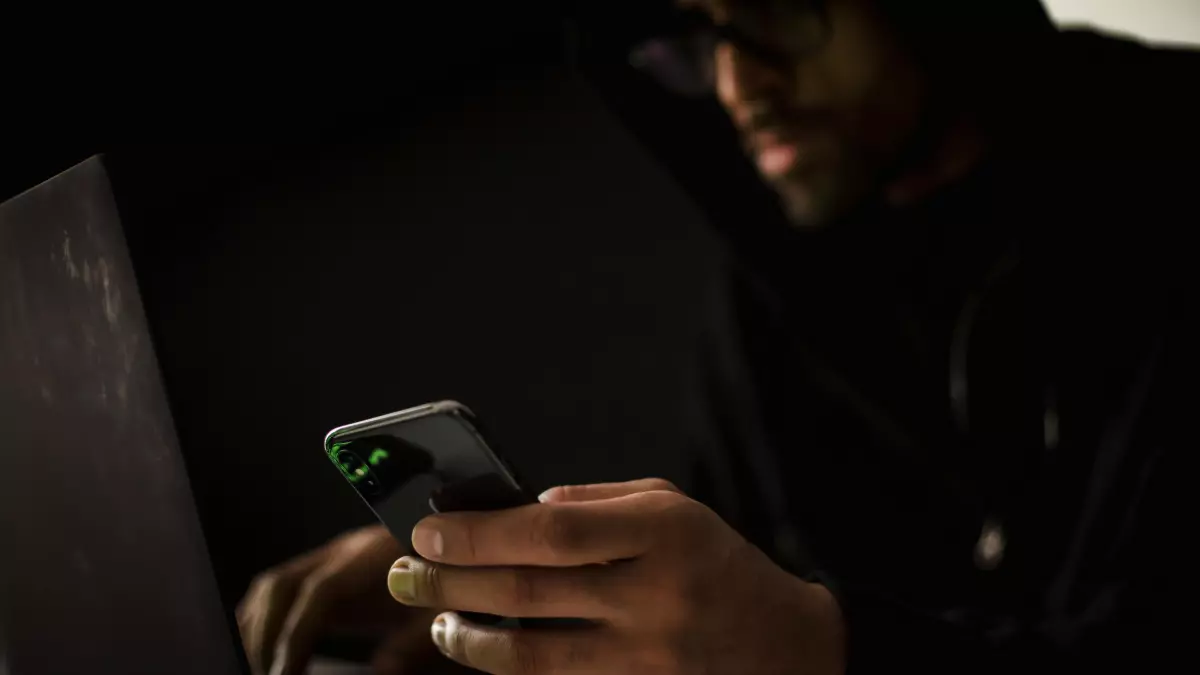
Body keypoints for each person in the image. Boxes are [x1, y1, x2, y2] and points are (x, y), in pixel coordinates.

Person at [237, 0, 1200, 673]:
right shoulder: (778, 293)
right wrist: (528, 618)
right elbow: (737, 597)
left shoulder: (1165, 169)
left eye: (778, 8)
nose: (740, 86)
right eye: (699, 33)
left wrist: (820, 652)